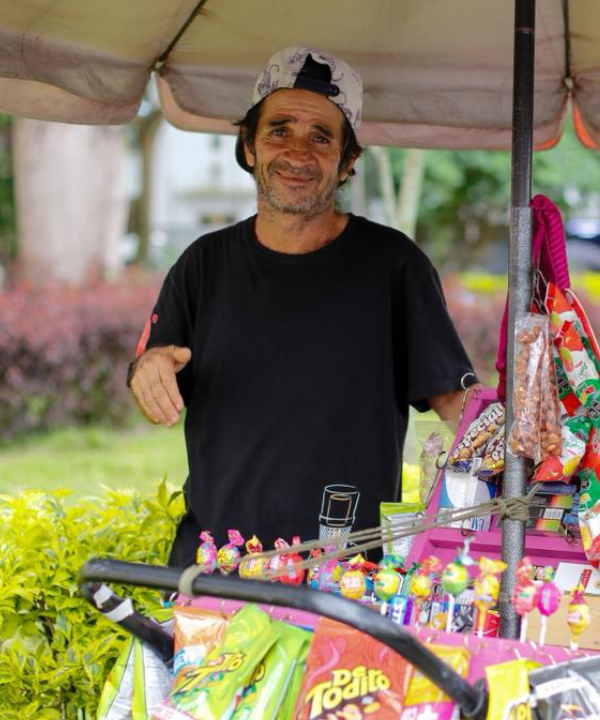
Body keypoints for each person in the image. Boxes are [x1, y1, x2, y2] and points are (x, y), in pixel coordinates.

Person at [127, 46, 476, 568]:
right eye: (279, 130)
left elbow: (454, 398)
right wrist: (148, 369)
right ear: (249, 146)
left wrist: (526, 443)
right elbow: (152, 364)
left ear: (347, 160)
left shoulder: (393, 265)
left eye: (320, 137)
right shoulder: (203, 264)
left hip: (345, 575)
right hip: (217, 567)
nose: (297, 153)